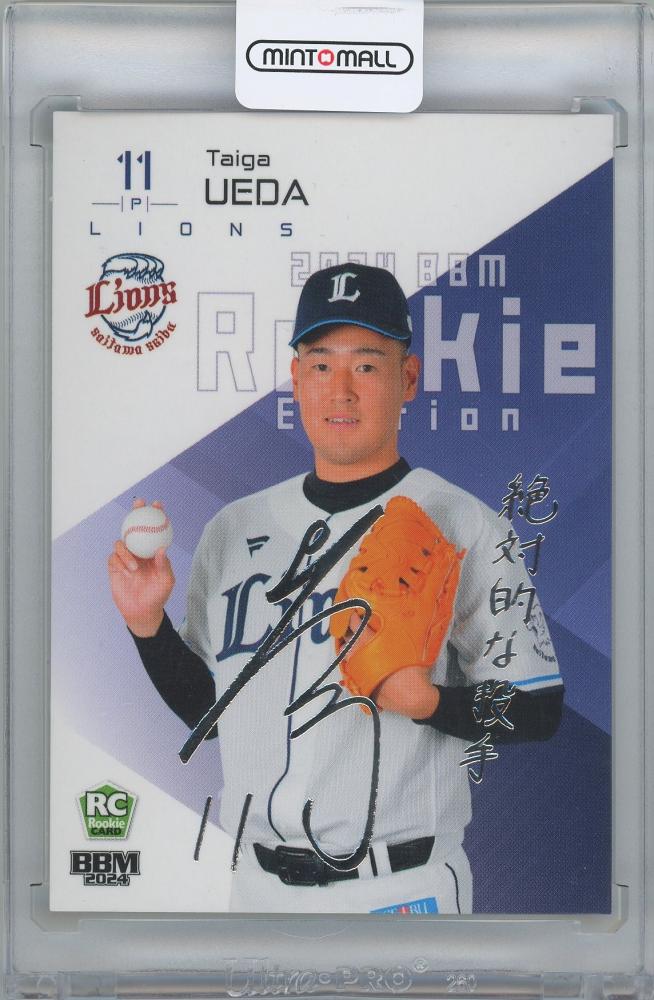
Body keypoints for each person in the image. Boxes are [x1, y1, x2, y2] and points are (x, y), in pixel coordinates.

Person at [108, 263, 563, 914]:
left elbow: (538, 707)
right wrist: (146, 625)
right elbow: (208, 716)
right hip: (257, 892)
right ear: (296, 380)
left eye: (367, 365)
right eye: (321, 365)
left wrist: (429, 702)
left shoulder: (466, 525)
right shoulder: (232, 529)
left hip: (400, 892)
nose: (340, 390)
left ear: (408, 378)